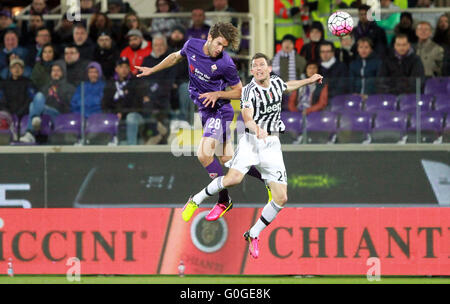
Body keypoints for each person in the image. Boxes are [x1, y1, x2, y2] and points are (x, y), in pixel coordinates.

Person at [185, 52, 323, 259]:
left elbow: (289, 85)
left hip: (272, 144)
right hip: (251, 141)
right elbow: (247, 116)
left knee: (281, 198)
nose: (258, 68)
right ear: (251, 71)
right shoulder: (249, 90)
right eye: (254, 66)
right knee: (233, 179)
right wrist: (256, 128)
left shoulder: (276, 82)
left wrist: (310, 80)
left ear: (269, 69)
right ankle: (196, 199)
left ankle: (253, 233)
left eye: (261, 65)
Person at [135, 22, 267, 219]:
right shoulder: (191, 45)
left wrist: (217, 94)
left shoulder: (225, 63)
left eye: (224, 46)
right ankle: (268, 178)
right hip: (205, 111)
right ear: (209, 37)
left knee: (204, 155)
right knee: (228, 159)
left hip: (219, 110)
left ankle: (223, 201)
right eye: (219, 44)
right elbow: (174, 57)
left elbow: (241, 92)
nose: (221, 49)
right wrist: (152, 70)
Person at [20, 62, 76, 143]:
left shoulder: (69, 87)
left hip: (60, 114)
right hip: (45, 112)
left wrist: (56, 96)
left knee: (33, 105)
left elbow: (70, 105)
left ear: (63, 72)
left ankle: (30, 132)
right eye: (53, 70)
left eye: (58, 70)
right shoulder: (45, 87)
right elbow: (39, 102)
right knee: (35, 100)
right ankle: (35, 120)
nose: (55, 73)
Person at [102, 57, 147, 145]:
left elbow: (137, 105)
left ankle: (131, 149)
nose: (124, 69)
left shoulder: (135, 82)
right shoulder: (111, 83)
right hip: (116, 116)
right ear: (116, 69)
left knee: (131, 117)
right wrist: (115, 113)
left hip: (136, 117)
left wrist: (122, 113)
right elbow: (105, 103)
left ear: (129, 69)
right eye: (121, 67)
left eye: (126, 67)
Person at [140, 34, 175, 144]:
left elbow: (169, 82)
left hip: (163, 97)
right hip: (148, 97)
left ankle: (159, 136)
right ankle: (157, 132)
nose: (158, 47)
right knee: (145, 105)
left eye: (161, 45)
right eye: (156, 45)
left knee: (163, 109)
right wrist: (145, 95)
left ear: (165, 46)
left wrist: (151, 96)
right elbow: (140, 80)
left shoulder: (170, 61)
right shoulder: (147, 60)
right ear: (152, 47)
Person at [0, 58, 40, 131]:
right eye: (14, 67)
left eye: (19, 67)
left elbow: (31, 99)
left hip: (25, 113)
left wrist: (22, 111)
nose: (17, 69)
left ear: (23, 70)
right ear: (10, 69)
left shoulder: (29, 83)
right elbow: (2, 100)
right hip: (7, 112)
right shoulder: (3, 84)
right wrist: (7, 111)